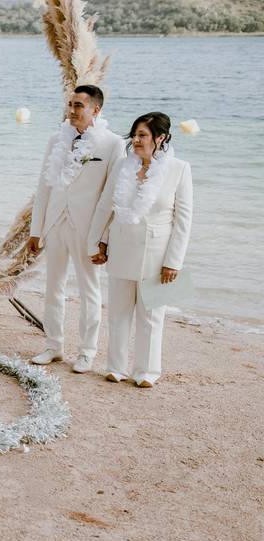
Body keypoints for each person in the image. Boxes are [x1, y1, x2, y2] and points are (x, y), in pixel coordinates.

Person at [88, 112, 193, 388]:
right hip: (122, 245)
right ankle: (115, 367)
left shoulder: (179, 169)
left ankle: (147, 371)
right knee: (119, 312)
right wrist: (98, 241)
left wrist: (174, 261)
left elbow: (183, 220)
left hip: (157, 253)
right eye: (134, 134)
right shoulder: (123, 165)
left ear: (161, 138)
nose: (135, 140)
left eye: (142, 135)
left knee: (152, 315)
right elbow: (106, 208)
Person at [27, 85, 124, 373]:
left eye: (78, 105)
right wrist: (37, 229)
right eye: (70, 104)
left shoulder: (112, 144)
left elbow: (112, 196)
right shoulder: (57, 139)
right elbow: (44, 187)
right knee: (52, 287)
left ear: (96, 109)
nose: (72, 111)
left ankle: (86, 352)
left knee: (89, 291)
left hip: (87, 229)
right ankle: (53, 346)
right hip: (55, 222)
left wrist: (103, 239)